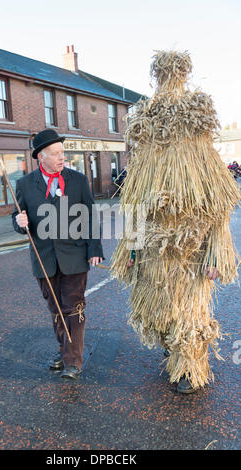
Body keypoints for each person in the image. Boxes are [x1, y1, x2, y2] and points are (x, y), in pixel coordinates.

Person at [111, 50, 240, 394]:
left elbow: (218, 207)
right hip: (157, 251)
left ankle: (188, 369)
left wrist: (216, 254)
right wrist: (132, 251)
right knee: (162, 314)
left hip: (191, 255)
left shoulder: (194, 138)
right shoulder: (149, 135)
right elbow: (135, 205)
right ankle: (173, 352)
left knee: (190, 315)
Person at [12, 129, 104, 379]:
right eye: (56, 154)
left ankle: (73, 362)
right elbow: (17, 217)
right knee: (56, 310)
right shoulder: (24, 184)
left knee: (74, 307)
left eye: (62, 153)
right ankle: (65, 351)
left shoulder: (77, 180)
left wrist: (94, 248)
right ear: (41, 156)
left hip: (74, 256)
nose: (62, 157)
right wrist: (19, 222)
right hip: (43, 260)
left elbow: (90, 216)